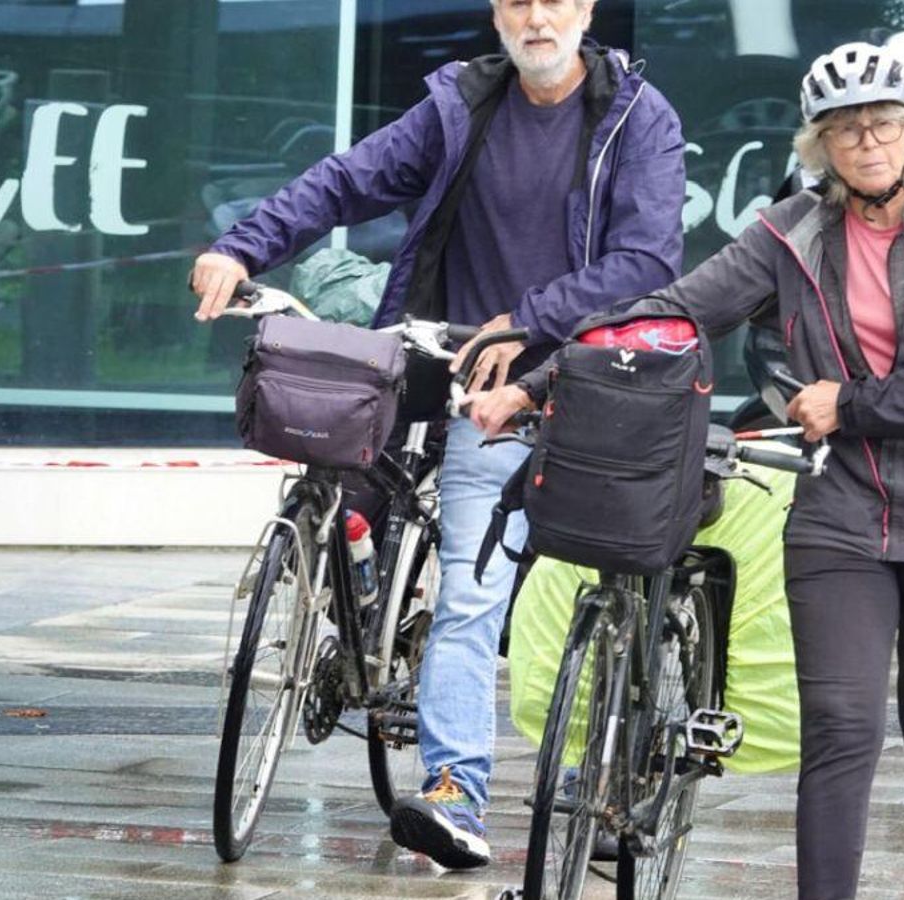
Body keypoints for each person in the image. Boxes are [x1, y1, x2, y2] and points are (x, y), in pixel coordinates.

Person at [469, 30, 904, 899]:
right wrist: (539, 383)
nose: (868, 143)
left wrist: (850, 403)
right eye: (847, 130)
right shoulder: (791, 232)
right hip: (840, 519)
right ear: (820, 146)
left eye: (883, 125)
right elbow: (670, 312)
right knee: (840, 731)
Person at [189, 0, 685, 870]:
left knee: (522, 586)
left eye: (556, 0)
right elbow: (346, 181)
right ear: (499, 12)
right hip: (458, 370)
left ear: (587, 10)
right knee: (447, 559)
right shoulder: (464, 102)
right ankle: (452, 782)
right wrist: (242, 247)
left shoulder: (637, 119)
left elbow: (645, 262)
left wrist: (523, 322)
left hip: (579, 382)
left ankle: (597, 774)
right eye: (519, 1)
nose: (538, 18)